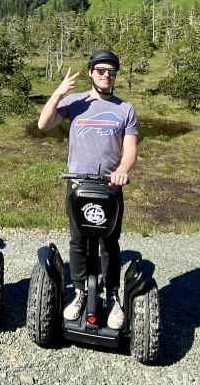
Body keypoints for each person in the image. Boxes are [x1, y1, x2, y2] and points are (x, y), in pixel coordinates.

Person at [37, 49, 137, 330]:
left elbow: (130, 149)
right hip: (79, 185)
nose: (106, 75)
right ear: (91, 73)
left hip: (110, 187)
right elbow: (43, 124)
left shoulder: (125, 108)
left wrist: (122, 170)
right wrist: (57, 93)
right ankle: (80, 292)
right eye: (101, 70)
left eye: (111, 71)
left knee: (109, 243)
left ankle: (113, 295)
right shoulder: (74, 102)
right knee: (79, 241)